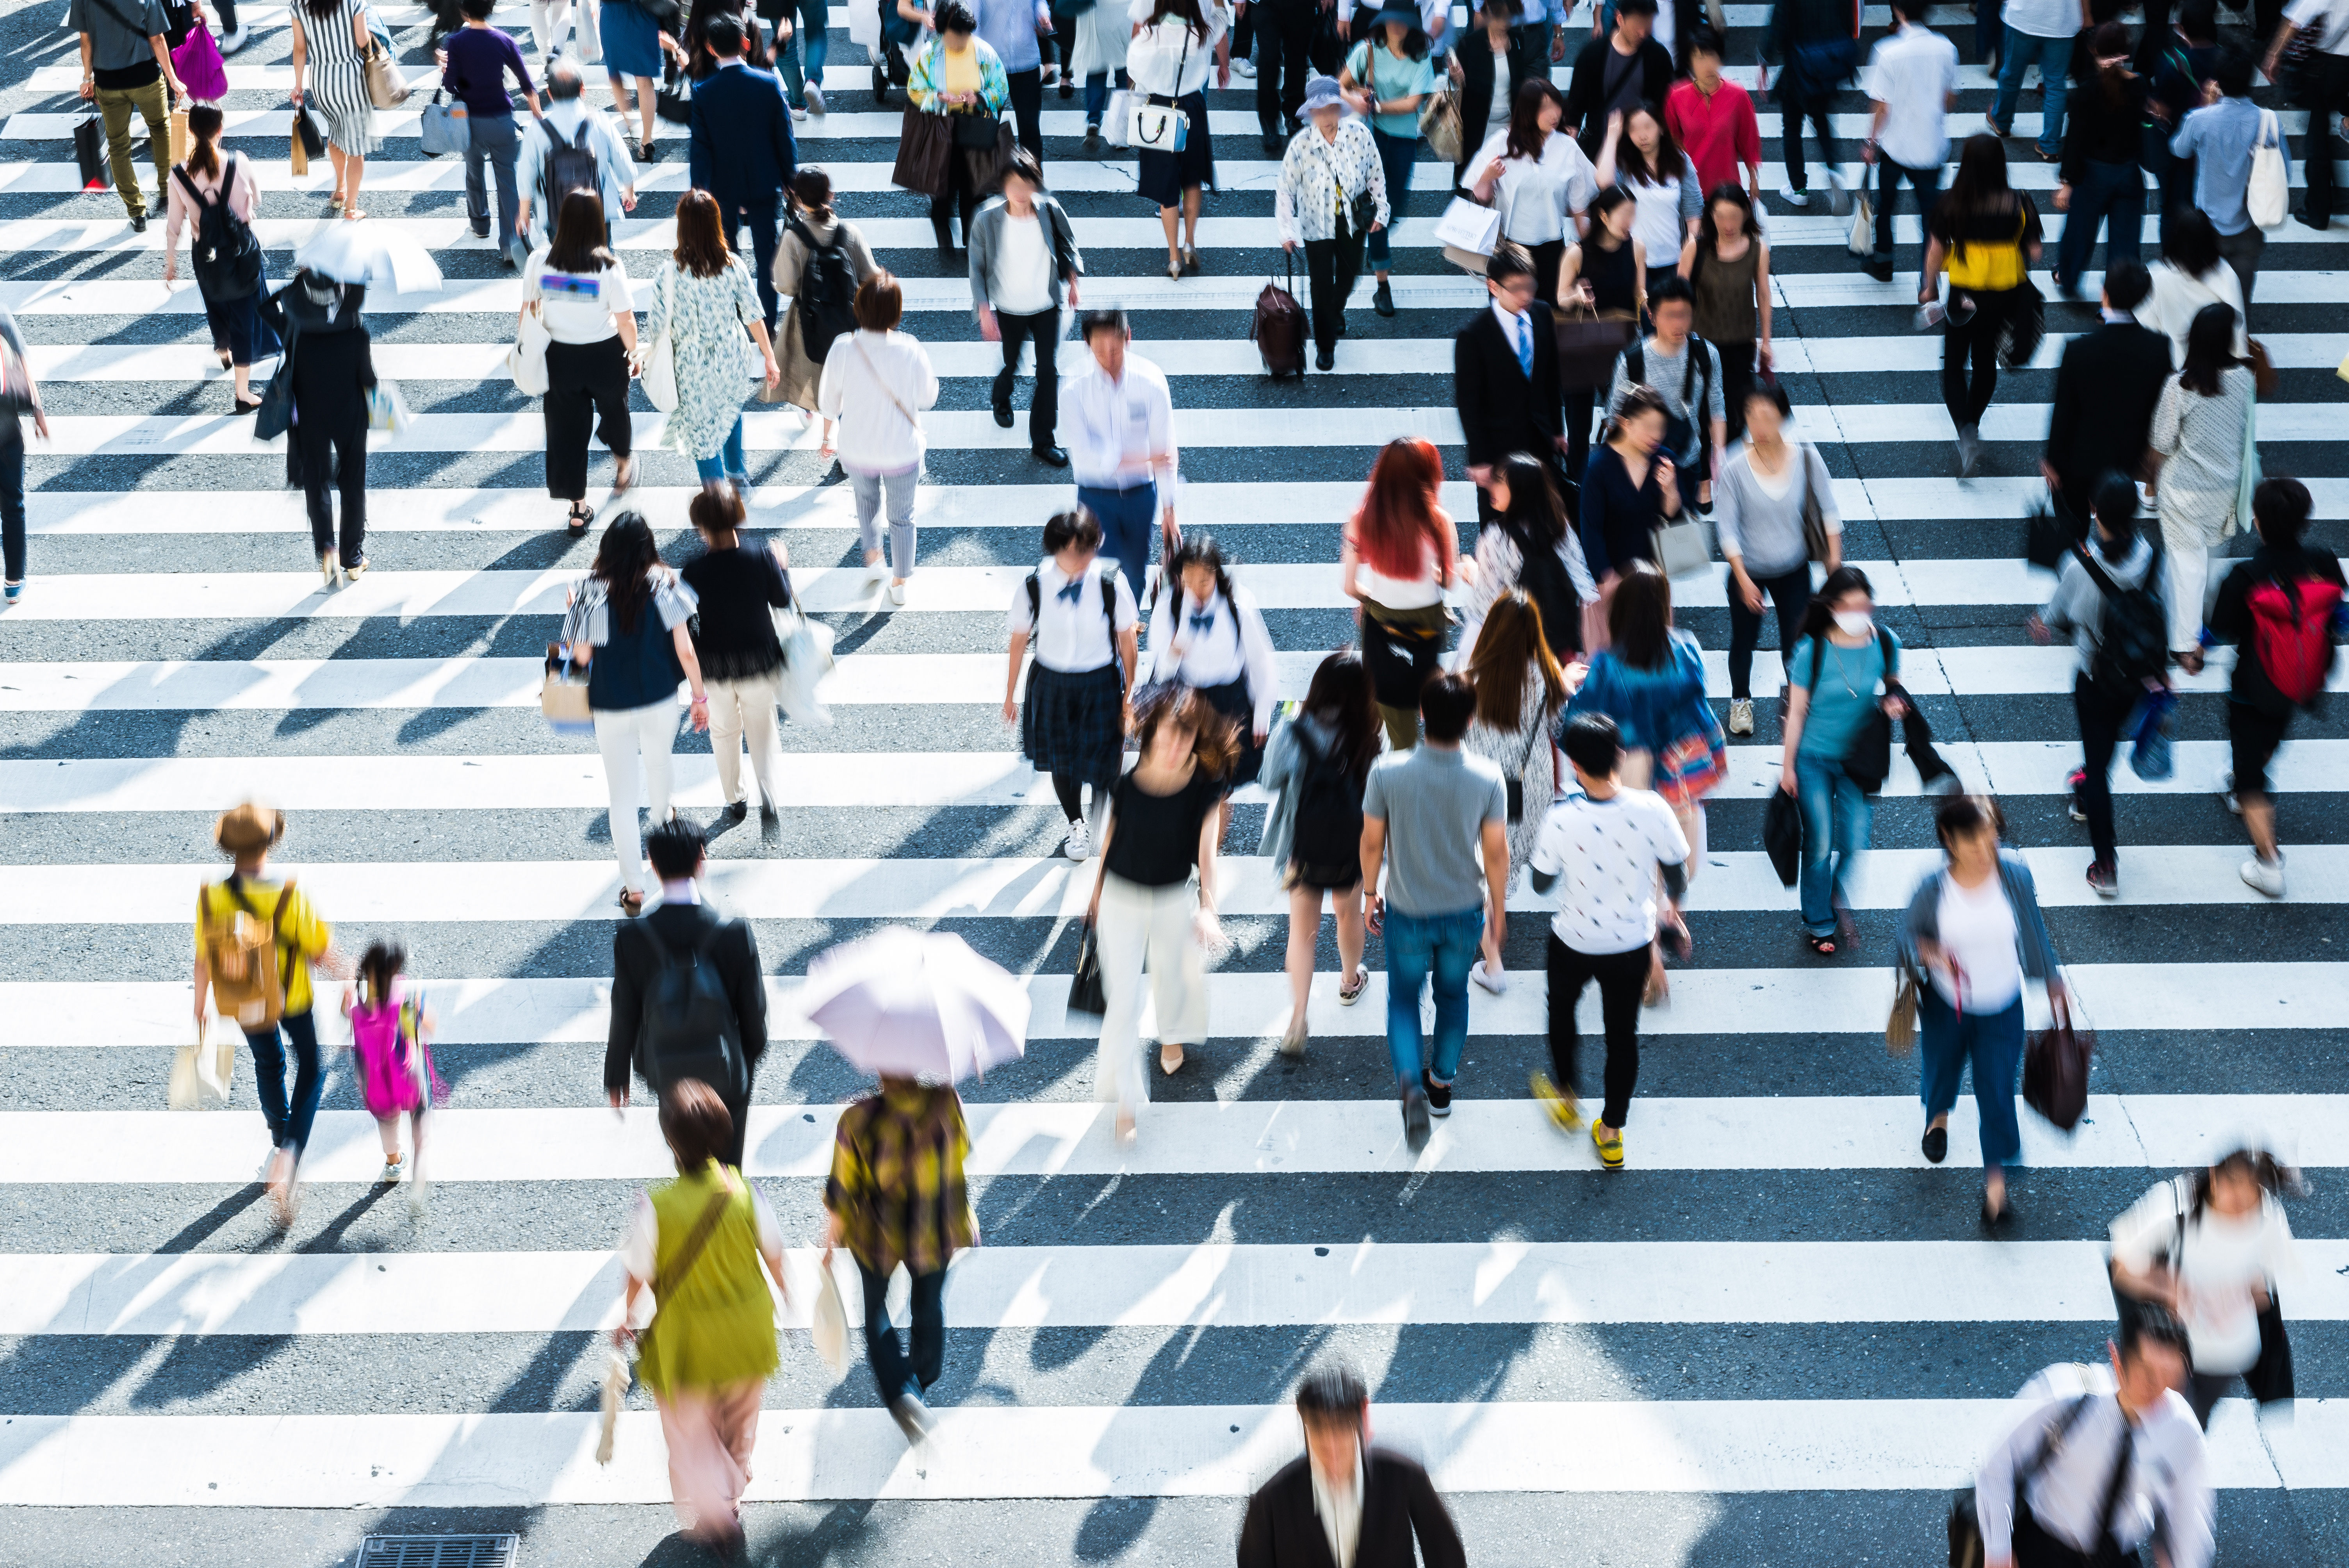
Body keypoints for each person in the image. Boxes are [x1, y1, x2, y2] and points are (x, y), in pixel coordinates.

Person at [613, 1081, 785, 1554]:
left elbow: (639, 1273)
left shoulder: (657, 1207)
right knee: (740, 1424)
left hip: (687, 1343)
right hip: (748, 1335)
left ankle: (714, 1505)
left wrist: (627, 1316)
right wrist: (787, 1294)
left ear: (672, 1143)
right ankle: (730, 1498)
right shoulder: (747, 1193)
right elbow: (774, 1255)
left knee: (690, 1433)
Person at [1525, 711, 1688, 1165]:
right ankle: (1612, 1131)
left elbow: (1540, 883)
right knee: (1622, 1036)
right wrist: (1671, 910)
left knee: (1561, 1013)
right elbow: (1676, 874)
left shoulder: (1561, 819)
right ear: (1620, 754)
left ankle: (1567, 1094)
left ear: (1574, 764)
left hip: (1573, 940)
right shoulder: (1652, 809)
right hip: (1630, 942)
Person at [1359, 672, 1509, 1151]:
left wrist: (1369, 893)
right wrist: (1499, 910)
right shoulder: (1488, 777)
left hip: (1406, 907)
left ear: (1421, 714)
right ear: (1470, 719)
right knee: (1453, 994)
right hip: (1464, 911)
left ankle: (1408, 1085)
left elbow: (1371, 841)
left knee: (1403, 999)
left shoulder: (1387, 771)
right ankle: (1440, 1085)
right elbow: (1497, 854)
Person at [1896, 793, 2062, 1224]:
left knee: (1996, 1093)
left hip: (2002, 1006)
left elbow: (2033, 930)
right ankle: (1938, 1117)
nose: (1984, 848)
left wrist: (2052, 981)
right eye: (1973, 839)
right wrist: (1929, 952)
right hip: (1945, 1005)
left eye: (1991, 837)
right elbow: (1906, 939)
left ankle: (1996, 1192)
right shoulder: (1933, 887)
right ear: (1950, 840)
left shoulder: (2015, 877)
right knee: (1940, 1068)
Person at [1083, 684, 1232, 1137]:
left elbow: (1207, 854)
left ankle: (1172, 1033)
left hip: (1172, 895)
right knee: (1122, 998)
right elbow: (1109, 843)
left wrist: (1209, 907)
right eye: (1166, 736)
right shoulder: (1125, 782)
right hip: (1121, 898)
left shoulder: (1203, 786)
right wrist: (1095, 896)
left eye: (1184, 739)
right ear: (1149, 735)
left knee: (1176, 975)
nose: (1174, 748)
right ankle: (1126, 1096)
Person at [192, 802, 350, 1226]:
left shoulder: (212, 897)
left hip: (243, 999)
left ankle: (278, 1135)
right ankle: (288, 1155)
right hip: (291, 996)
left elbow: (205, 958)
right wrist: (348, 973)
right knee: (313, 1068)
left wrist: (201, 1006)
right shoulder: (288, 893)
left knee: (268, 1062)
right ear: (269, 844)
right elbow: (320, 952)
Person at [1972, 1311, 2214, 1568]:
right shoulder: (2065, 1394)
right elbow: (1998, 1464)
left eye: (2170, 1377)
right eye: (2147, 1373)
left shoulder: (2181, 1428)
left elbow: (2190, 1516)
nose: (2159, 1390)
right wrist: (1999, 1551)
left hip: (2114, 1554)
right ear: (2117, 1360)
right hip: (2045, 1546)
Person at [561, 510, 710, 914]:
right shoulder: (664, 583)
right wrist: (699, 698)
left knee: (622, 798)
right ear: (649, 547)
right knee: (661, 767)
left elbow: (580, 657)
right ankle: (667, 842)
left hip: (611, 703)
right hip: (659, 697)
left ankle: (634, 888)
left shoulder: (590, 590)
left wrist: (575, 612)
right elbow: (686, 651)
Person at [822, 1071, 977, 1447]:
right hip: (934, 1226)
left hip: (876, 1234)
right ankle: (920, 1385)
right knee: (928, 1304)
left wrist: (829, 1241)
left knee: (876, 1311)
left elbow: (842, 1192)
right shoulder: (947, 1103)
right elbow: (961, 1153)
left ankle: (901, 1392)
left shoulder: (857, 1120)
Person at [2207, 478, 2346, 897]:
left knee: (2253, 779)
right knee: (2269, 734)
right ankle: (2242, 776)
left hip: (2253, 682)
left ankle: (2268, 863)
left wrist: (2193, 653)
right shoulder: (2321, 560)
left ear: (2258, 521)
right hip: (2301, 680)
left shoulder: (2246, 574)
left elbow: (2218, 630)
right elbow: (2339, 617)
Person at [2029, 476, 2164, 897]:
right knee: (2106, 748)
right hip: (2138, 679)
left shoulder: (2079, 564)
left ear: (2093, 510)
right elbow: (2167, 614)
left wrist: (2041, 622)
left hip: (2095, 677)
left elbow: (2055, 614)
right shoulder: (2153, 560)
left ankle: (2105, 863)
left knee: (2099, 760)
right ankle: (2086, 786)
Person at [606, 818, 768, 1155]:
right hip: (726, 1068)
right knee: (728, 1163)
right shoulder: (733, 932)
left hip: (668, 1069)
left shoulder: (633, 938)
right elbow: (754, 1016)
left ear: (652, 863)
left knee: (688, 1156)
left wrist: (617, 1072)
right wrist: (744, 1059)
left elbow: (626, 1009)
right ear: (701, 859)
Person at [2111, 1147, 2306, 1427]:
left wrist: (2236, 1299)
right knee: (2146, 1423)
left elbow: (2265, 1290)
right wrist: (2166, 1287)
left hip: (2226, 1356)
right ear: (2214, 1173)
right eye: (2233, 1189)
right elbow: (2121, 1268)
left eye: (2250, 1198)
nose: (2239, 1208)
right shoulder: (2174, 1208)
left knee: (2188, 1427)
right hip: (2167, 1352)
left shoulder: (2268, 1219)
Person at [1259, 649, 1382, 1055]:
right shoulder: (1367, 732)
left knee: (1302, 932)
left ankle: (1297, 1018)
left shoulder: (1293, 730)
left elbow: (1269, 778)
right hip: (1351, 848)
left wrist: (1289, 723)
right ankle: (1349, 980)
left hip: (1302, 847)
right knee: (1347, 914)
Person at [1779, 565, 1903, 957]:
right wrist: (1787, 767)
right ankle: (1819, 919)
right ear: (1831, 607)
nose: (1858, 612)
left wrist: (1894, 701)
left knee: (1852, 842)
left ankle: (1830, 891)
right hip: (1813, 759)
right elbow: (1796, 714)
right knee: (1820, 842)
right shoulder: (1811, 651)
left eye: (1864, 604)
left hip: (1857, 759)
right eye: (1849, 605)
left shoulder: (1885, 642)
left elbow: (1893, 686)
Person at [1004, 507, 1142, 858]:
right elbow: (1019, 639)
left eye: (1088, 549)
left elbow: (1128, 640)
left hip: (1100, 681)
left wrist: (1130, 693)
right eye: (1071, 550)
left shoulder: (1111, 582)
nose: (1081, 558)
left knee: (1106, 759)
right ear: (1055, 549)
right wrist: (1009, 696)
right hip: (1051, 681)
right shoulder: (1035, 585)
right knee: (1062, 761)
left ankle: (1108, 816)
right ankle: (1076, 823)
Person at [1236, 1362, 1469, 1568]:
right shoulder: (1271, 1502)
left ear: (1364, 1416)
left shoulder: (1404, 1477)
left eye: (1342, 1430)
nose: (1332, 1448)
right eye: (1319, 1431)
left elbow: (1446, 1555)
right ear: (1302, 1419)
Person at [1714, 380, 1839, 737]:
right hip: (1748, 571)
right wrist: (1742, 578)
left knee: (1796, 644)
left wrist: (1835, 569)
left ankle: (1798, 702)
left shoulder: (1806, 458)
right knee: (1743, 640)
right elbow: (1728, 531)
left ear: (1785, 417)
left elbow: (1831, 515)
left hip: (1794, 569)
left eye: (1768, 417)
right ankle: (1740, 701)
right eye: (1751, 416)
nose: (1759, 426)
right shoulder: (1735, 465)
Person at [1462, 589, 1571, 994]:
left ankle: (1494, 954)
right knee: (1509, 852)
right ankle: (1500, 914)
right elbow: (1559, 728)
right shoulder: (1546, 674)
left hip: (1482, 781)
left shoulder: (1472, 676)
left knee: (1487, 857)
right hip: (1532, 781)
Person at [643, 187, 782, 492]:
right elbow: (754, 315)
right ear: (716, 224)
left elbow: (656, 327)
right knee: (731, 410)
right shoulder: (732, 265)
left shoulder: (669, 274)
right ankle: (738, 476)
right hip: (731, 356)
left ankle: (719, 506)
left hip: (691, 367)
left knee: (703, 438)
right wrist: (770, 357)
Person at [1921, 134, 2043, 479]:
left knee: (1954, 365)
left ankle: (1965, 432)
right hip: (2005, 295)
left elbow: (1935, 251)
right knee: (1985, 359)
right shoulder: (2020, 203)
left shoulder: (1952, 204)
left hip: (1965, 296)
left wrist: (1929, 287)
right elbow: (2035, 252)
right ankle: (1973, 422)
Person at [819, 272, 939, 604]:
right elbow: (929, 397)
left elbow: (829, 400)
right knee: (902, 517)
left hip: (857, 449)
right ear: (896, 312)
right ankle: (899, 584)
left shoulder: (844, 347)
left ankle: (874, 558)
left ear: (859, 308)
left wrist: (827, 436)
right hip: (901, 452)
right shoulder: (910, 349)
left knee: (866, 503)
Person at [524, 190, 638, 538]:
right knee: (616, 411)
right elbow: (626, 321)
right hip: (604, 355)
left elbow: (528, 312)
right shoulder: (608, 268)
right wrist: (634, 354)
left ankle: (578, 507)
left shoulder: (540, 262)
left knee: (566, 433)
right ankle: (623, 464)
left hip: (560, 358)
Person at [2147, 303, 2254, 666]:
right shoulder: (2244, 378)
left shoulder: (2180, 385)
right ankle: (2209, 619)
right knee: (2209, 559)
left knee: (2186, 565)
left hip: (2183, 490)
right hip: (2225, 488)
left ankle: (2186, 646)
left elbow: (2162, 442)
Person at [1143, 533, 1278, 818]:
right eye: (1189, 580)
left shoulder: (1238, 604)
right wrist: (1176, 648)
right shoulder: (1170, 605)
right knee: (1190, 777)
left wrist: (1262, 715)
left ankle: (1208, 842)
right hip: (1188, 702)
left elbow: (1260, 661)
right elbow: (1161, 669)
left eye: (1205, 581)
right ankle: (1198, 836)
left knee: (1223, 783)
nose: (1198, 589)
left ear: (1217, 574)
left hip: (1230, 702)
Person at [1343, 436, 1463, 750]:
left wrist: (1371, 601)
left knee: (1394, 715)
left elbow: (1350, 587)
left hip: (1382, 623)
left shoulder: (1362, 519)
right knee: (1430, 700)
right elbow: (1450, 583)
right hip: (1427, 624)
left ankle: (1399, 776)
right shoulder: (1440, 521)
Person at [681, 489, 791, 821]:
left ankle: (735, 799)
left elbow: (688, 623)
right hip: (758, 659)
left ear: (702, 529)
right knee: (763, 728)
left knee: (725, 732)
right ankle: (769, 793)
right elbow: (783, 601)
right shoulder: (760, 557)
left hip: (714, 666)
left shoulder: (694, 571)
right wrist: (782, 567)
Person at [163, 105, 281, 417]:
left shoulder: (177, 174)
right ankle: (242, 394)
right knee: (245, 314)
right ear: (220, 131)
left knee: (217, 304)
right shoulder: (238, 162)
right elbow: (257, 197)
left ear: (190, 133)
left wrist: (170, 262)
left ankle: (223, 350)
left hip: (206, 256)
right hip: (241, 254)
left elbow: (174, 223)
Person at [969, 149, 1082, 465]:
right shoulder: (987, 220)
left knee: (1048, 371)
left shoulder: (1049, 210)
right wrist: (984, 310)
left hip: (1046, 303)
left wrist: (1073, 279)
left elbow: (1067, 244)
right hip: (1008, 305)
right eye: (1013, 185)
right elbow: (976, 268)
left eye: (1026, 185)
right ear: (1003, 186)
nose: (1020, 193)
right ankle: (1001, 396)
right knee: (1012, 362)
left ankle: (1043, 441)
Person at [2040, 260, 2171, 530]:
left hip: (2079, 459)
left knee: (2073, 529)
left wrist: (2053, 460)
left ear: (2105, 293)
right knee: (2117, 527)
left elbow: (2064, 410)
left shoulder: (2079, 350)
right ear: (2144, 298)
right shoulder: (2159, 349)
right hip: (2128, 458)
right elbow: (2159, 407)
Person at [264, 271, 375, 588]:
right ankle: (352, 558)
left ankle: (327, 548)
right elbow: (368, 379)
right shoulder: (356, 335)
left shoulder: (294, 331)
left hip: (310, 416)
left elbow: (266, 308)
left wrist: (291, 290)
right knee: (353, 484)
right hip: (349, 416)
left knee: (317, 481)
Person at [688, 14, 798, 333]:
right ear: (746, 44)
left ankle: (737, 317)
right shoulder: (768, 84)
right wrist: (791, 180)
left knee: (726, 254)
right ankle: (766, 323)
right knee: (768, 256)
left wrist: (700, 190)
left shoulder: (704, 91)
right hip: (765, 181)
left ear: (710, 49)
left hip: (723, 186)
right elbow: (783, 137)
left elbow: (701, 148)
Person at [1456, 246, 1567, 549]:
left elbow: (1550, 377)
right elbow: (1469, 402)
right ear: (1493, 286)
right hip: (1497, 448)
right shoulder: (1474, 335)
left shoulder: (1543, 314)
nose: (1526, 295)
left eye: (1530, 285)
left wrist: (1557, 430)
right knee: (1499, 527)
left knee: (1543, 519)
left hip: (1540, 439)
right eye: (1516, 288)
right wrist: (1479, 458)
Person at [1277, 75, 1390, 371]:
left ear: (1339, 109)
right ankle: (1325, 346)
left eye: (1331, 109)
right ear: (1312, 113)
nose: (1326, 117)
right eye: (1320, 111)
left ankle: (1334, 308)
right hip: (1316, 225)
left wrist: (1382, 210)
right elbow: (1286, 189)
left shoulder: (1360, 135)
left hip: (1351, 220)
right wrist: (1287, 231)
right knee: (1321, 283)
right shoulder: (1301, 146)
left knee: (1350, 273)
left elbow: (1375, 173)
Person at [1066, 309, 1181, 584]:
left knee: (1136, 572)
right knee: (1102, 576)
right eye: (1099, 348)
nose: (1109, 357)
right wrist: (1144, 461)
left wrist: (1170, 511)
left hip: (1141, 495)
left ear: (1128, 337)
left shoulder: (1151, 381)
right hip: (1095, 496)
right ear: (1087, 343)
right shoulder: (1073, 387)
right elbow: (1083, 455)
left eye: (1115, 347)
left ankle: (1127, 627)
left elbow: (1165, 450)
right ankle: (1112, 627)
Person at [770, 168, 877, 463]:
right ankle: (849, 451)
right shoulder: (850, 233)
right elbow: (871, 276)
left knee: (816, 376)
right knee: (848, 385)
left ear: (799, 200)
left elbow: (786, 284)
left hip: (810, 323)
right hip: (849, 322)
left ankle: (810, 410)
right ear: (831, 195)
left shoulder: (795, 238)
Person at [1464, 80, 1599, 309]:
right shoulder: (1502, 143)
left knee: (1550, 316)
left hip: (1553, 248)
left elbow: (1579, 204)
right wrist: (1487, 176)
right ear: (1528, 111)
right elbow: (1480, 198)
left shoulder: (1568, 147)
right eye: (1545, 108)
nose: (1554, 115)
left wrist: (1591, 251)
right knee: (1508, 314)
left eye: (1557, 106)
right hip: (1511, 247)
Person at [2168, 49, 2285, 307]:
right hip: (2249, 225)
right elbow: (2283, 168)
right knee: (2240, 303)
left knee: (2203, 301)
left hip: (2206, 228)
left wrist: (2205, 108)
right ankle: (2238, 344)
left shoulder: (2200, 119)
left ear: (2218, 81)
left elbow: (2178, 148)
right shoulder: (2270, 121)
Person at [1339, 6, 1435, 318]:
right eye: (1392, 21)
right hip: (1373, 139)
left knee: (1395, 209)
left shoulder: (1421, 56)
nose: (1396, 27)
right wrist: (1356, 101)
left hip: (1405, 141)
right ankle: (1383, 286)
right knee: (1378, 211)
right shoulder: (1368, 49)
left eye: (1403, 22)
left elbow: (1413, 103)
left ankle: (1376, 241)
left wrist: (1376, 106)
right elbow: (1341, 85)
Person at [1461, 449, 1597, 665]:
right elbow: (1585, 588)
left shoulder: (1497, 538)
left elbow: (1487, 603)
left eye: (1500, 481)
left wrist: (1474, 574)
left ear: (1521, 492)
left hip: (1514, 651)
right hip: (1559, 649)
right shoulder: (1561, 530)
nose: (1492, 486)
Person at [1129, 0, 1232, 282]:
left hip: (1159, 113)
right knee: (1192, 178)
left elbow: (1134, 70)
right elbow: (1223, 20)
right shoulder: (1202, 32)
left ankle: (1174, 257)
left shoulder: (1151, 35)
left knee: (1167, 187)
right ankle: (1190, 242)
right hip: (1192, 109)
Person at [1859, 0, 1959, 284]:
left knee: (1886, 205)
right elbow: (1950, 101)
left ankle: (1883, 261)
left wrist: (1870, 143)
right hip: (1931, 146)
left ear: (1899, 12)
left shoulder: (1887, 51)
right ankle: (1928, 281)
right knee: (1930, 217)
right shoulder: (1946, 48)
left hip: (1895, 147)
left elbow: (1881, 105)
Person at [437, 0, 541, 271]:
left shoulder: (456, 42)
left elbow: (450, 85)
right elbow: (527, 85)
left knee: (473, 170)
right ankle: (510, 245)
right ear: (491, 8)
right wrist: (540, 119)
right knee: (507, 180)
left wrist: (444, 67)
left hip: (469, 122)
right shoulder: (505, 40)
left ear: (464, 11)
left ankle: (480, 223)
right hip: (501, 120)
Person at [1604, 277, 1720, 514]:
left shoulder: (1706, 355)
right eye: (1670, 315)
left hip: (1687, 460)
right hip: (1642, 465)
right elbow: (1614, 417)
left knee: (1680, 538)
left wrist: (1719, 455)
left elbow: (1717, 407)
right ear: (1652, 317)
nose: (1679, 323)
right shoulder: (1632, 362)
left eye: (1685, 314)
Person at [342, 940, 440, 1210]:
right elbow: (429, 1027)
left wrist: (350, 983)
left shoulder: (357, 1010)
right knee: (421, 1128)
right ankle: (418, 1182)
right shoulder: (405, 1000)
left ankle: (394, 1163)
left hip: (377, 1083)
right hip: (408, 1075)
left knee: (388, 1123)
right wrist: (420, 1006)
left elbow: (345, 1013)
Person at [2052, 22, 2147, 298]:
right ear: (2126, 54)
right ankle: (2116, 301)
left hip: (2092, 175)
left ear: (2094, 50)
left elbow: (2075, 140)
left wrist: (2067, 182)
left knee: (2079, 234)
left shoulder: (2088, 91)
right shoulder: (2139, 87)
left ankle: (2068, 278)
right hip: (2129, 174)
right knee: (2125, 244)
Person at [1556, 186, 1643, 481]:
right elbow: (1560, 298)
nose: (1630, 221)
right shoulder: (1577, 252)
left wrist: (1648, 301)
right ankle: (1577, 489)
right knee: (1578, 431)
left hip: (1621, 349)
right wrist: (1577, 296)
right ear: (1604, 216)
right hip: (1581, 350)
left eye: (1634, 214)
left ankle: (1616, 482)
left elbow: (1637, 296)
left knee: (1624, 422)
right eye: (1625, 214)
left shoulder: (1637, 248)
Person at [72, 0, 183, 232]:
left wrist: (87, 78)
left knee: (118, 145)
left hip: (108, 82)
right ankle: (167, 190)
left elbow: (86, 39)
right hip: (146, 79)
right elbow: (157, 39)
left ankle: (137, 211)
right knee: (161, 129)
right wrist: (173, 79)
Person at [516, 58, 640, 252]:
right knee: (601, 264)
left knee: (563, 264)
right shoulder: (599, 122)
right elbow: (623, 162)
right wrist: (629, 191)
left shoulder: (538, 131)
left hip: (556, 215)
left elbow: (526, 176)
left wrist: (524, 214)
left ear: (550, 94)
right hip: (597, 212)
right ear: (583, 89)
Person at [1677, 184, 1768, 445]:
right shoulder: (1696, 248)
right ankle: (1705, 474)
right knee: (1702, 413)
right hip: (1701, 344)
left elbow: (1763, 294)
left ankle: (1727, 475)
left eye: (1735, 217)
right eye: (1721, 217)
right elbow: (1679, 296)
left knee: (1736, 416)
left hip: (1740, 345)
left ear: (1746, 215)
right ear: (1711, 216)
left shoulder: (1757, 250)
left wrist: (1767, 341)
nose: (1728, 224)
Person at [1579, 383, 1679, 600]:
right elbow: (1590, 529)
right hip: (1614, 579)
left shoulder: (1664, 460)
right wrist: (1605, 577)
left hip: (1654, 577)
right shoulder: (1600, 469)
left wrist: (1671, 491)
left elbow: (1674, 517)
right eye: (1649, 427)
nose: (1657, 435)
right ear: (1626, 424)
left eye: (1661, 427)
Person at [1597, 105, 1700, 303]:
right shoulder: (1624, 163)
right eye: (1634, 129)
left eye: (1648, 127)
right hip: (1633, 261)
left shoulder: (1680, 161)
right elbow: (1604, 183)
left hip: (1673, 261)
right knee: (1643, 324)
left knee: (1669, 323)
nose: (1642, 136)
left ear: (1661, 128)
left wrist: (1687, 260)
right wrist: (1612, 138)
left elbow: (1694, 213)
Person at [1760, 0, 1856, 210]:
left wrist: (1764, 62)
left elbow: (1777, 26)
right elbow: (1849, 22)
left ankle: (1799, 189)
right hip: (1828, 63)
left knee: (1792, 128)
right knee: (1822, 122)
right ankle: (1833, 171)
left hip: (1799, 67)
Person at [2140, 0, 2221, 241]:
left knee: (2172, 209)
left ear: (2181, 27)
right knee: (2207, 208)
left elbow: (2162, 111)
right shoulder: (2227, 59)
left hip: (2177, 148)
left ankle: (2173, 261)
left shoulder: (2171, 62)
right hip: (2214, 147)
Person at [287, 0, 375, 219]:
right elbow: (363, 41)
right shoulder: (353, 2)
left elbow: (300, 48)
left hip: (322, 82)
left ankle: (340, 189)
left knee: (335, 134)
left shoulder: (298, 4)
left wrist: (298, 85)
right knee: (356, 147)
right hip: (352, 79)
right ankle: (352, 208)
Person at [2268, 0, 2349, 230]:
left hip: (2327, 66)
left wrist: (2273, 55)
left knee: (2317, 136)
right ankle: (2330, 196)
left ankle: (2318, 210)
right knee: (2322, 122)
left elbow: (2295, 20)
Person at [2140, 207, 2248, 367]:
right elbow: (2238, 331)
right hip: (2218, 371)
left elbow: (2146, 329)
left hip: (2177, 373)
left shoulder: (2158, 275)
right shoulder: (2224, 273)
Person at [1561, 0, 1670, 159]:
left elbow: (1666, 107)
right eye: (1637, 26)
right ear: (1620, 19)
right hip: (1601, 147)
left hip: (1644, 150)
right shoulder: (1592, 55)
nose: (1642, 33)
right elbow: (1576, 105)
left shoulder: (1658, 57)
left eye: (1648, 26)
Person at [1448, 0, 1540, 185]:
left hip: (1508, 126)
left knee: (1505, 183)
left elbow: (1523, 83)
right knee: (1472, 181)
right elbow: (1460, 86)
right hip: (1477, 128)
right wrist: (1457, 78)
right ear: (1489, 12)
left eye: (1511, 17)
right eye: (1502, 17)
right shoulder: (1470, 44)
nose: (1507, 23)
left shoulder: (1517, 41)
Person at [1665, 29, 1759, 205]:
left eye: (1711, 56)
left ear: (1720, 58)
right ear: (1690, 62)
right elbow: (1672, 141)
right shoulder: (1676, 97)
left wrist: (1754, 180)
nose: (1707, 65)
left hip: (1728, 190)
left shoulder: (1738, 96)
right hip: (1691, 190)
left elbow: (1749, 141)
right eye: (1699, 58)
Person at [1989, 0, 2080, 160]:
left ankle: (2001, 121)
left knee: (2012, 73)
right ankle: (2050, 146)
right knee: (2056, 85)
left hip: (2023, 16)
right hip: (2062, 22)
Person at [0, 307, 47, 608]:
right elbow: (20, 362)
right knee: (12, 502)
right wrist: (38, 410)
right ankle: (14, 579)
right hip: (4, 426)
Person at [974, 0, 1055, 162]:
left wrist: (1043, 15)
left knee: (1030, 128)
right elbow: (972, 20)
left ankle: (1031, 178)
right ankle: (987, 177)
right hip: (991, 65)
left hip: (1027, 59)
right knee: (987, 125)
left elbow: (1039, 2)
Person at [599, 0, 677, 159]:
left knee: (614, 75)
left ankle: (627, 121)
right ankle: (647, 141)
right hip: (642, 14)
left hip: (613, 15)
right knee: (644, 80)